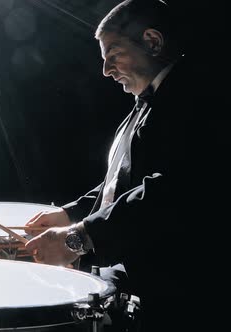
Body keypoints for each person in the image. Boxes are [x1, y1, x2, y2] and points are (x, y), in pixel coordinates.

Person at [23, 0, 223, 330]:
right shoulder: (148, 103)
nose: (106, 70)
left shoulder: (196, 97)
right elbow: (122, 183)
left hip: (177, 302)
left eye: (114, 54)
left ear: (153, 42)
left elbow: (172, 192)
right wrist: (71, 213)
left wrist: (78, 237)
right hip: (132, 287)